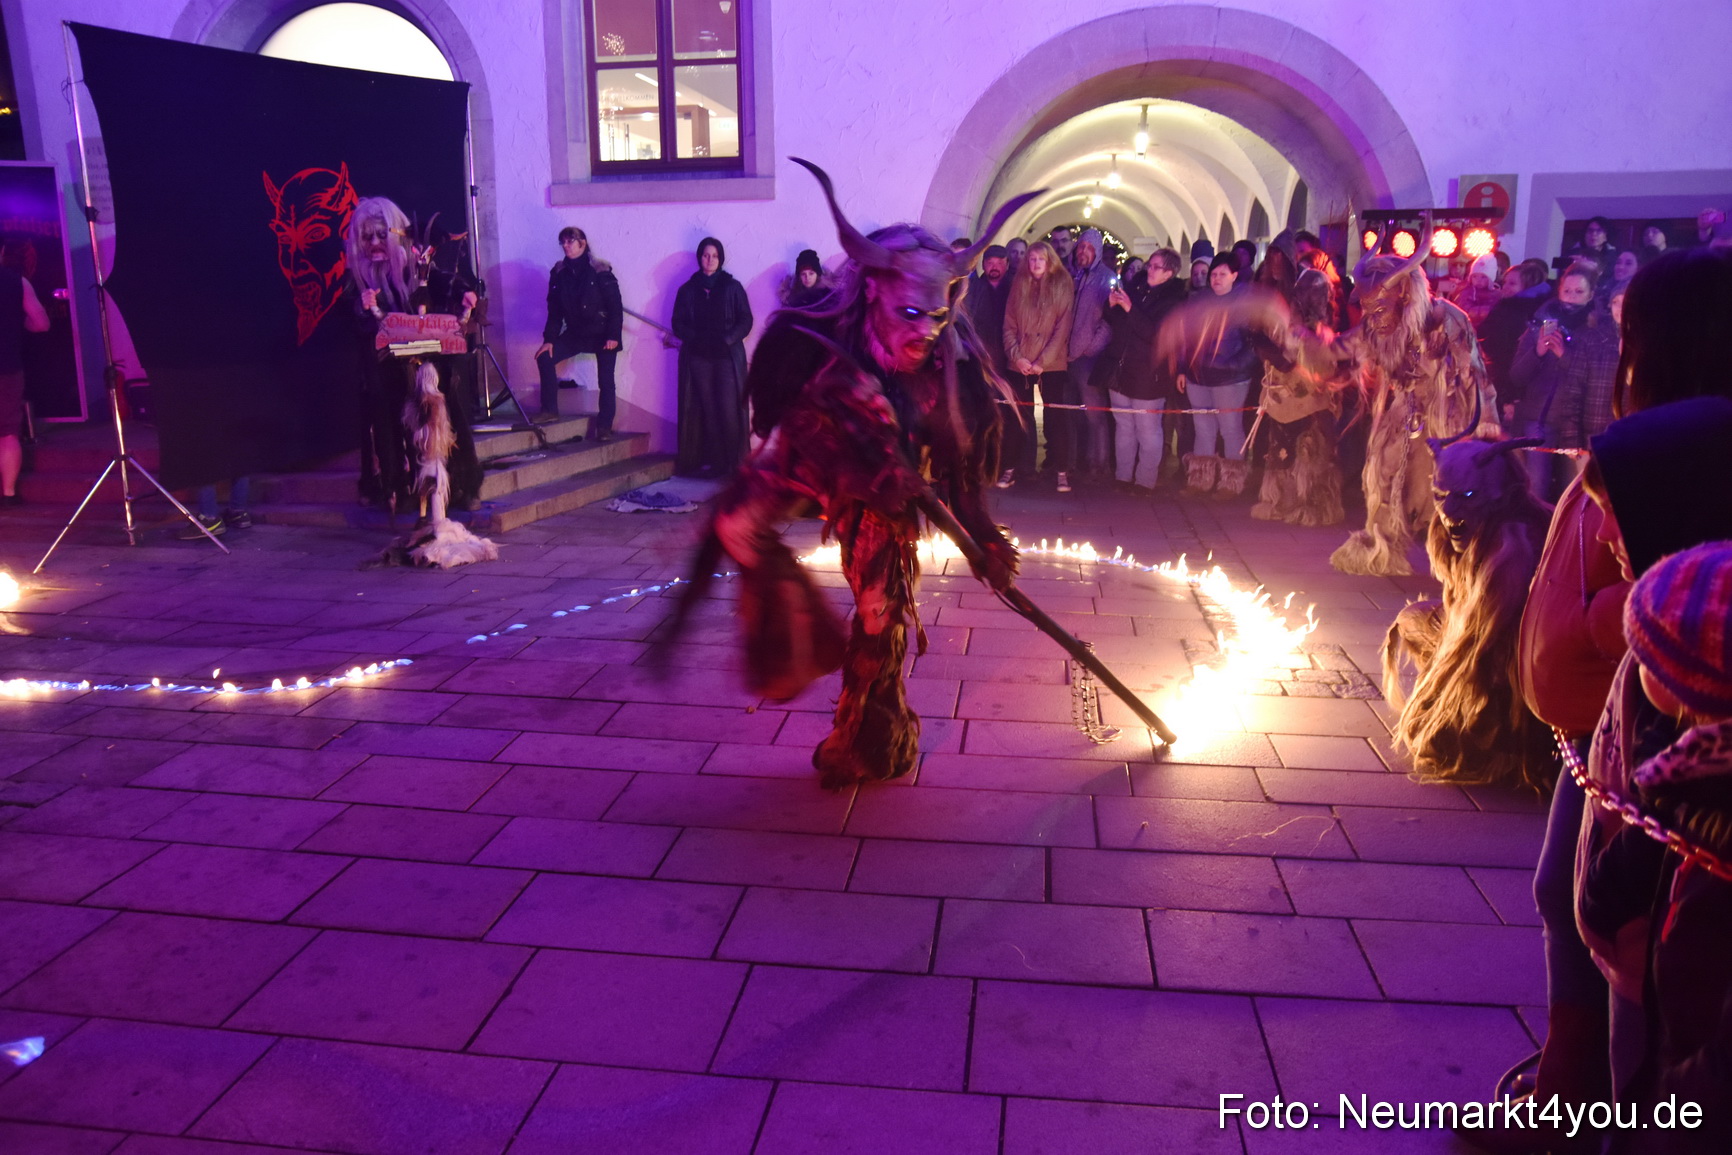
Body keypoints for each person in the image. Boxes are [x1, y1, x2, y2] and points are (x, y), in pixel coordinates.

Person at [676, 159, 1031, 789]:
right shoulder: (816, 343)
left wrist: (982, 539)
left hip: (887, 494)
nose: (924, 335)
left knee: (878, 611)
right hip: (817, 457)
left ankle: (865, 729)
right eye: (910, 316)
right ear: (873, 290)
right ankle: (790, 624)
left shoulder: (947, 379)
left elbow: (958, 468)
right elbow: (782, 419)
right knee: (734, 523)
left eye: (938, 318)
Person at [346, 195, 483, 516]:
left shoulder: (416, 269)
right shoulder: (357, 279)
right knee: (385, 422)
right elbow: (351, 314)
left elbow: (444, 282)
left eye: (382, 235)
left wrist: (465, 292)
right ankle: (394, 488)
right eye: (368, 237)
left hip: (427, 365)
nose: (376, 244)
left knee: (446, 416)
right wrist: (363, 306)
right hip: (384, 370)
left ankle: (461, 484)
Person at [1509, 262, 1599, 501]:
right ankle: (1538, 536)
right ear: (1558, 291)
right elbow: (1516, 376)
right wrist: (1537, 352)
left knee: (1572, 491)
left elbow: (1598, 380)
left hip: (1577, 424)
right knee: (1535, 487)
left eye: (1579, 292)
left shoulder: (1598, 331)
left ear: (1591, 295)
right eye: (1567, 291)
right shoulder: (1539, 324)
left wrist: (1565, 357)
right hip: (1539, 420)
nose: (1571, 297)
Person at [1175, 253, 1259, 499]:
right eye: (1213, 274)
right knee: (1203, 428)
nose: (1216, 279)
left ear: (1234, 275)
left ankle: (1232, 482)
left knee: (1230, 428)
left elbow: (1253, 344)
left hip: (1230, 379)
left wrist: (1233, 366)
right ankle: (1200, 478)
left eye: (1222, 274)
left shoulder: (1245, 304)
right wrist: (1182, 367)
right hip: (1198, 375)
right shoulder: (1198, 301)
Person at [1102, 247, 1185, 490]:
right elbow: (1116, 321)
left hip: (1149, 374)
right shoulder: (1137, 289)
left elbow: (1156, 334)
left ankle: (1145, 481)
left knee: (1147, 430)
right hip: (1122, 368)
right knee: (1124, 427)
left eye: (1156, 266)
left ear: (1169, 273)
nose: (1149, 269)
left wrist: (1129, 309)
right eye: (1150, 264)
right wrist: (1111, 306)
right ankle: (1123, 476)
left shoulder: (1174, 300)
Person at [671, 237, 752, 476]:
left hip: (726, 358)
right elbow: (677, 322)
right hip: (698, 358)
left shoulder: (732, 287)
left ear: (721, 258)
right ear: (699, 258)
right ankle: (716, 463)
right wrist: (693, 337)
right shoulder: (688, 289)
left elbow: (746, 319)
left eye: (714, 255)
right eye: (706, 255)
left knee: (729, 409)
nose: (710, 260)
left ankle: (734, 464)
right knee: (707, 410)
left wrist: (727, 339)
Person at [1001, 240, 1075, 490]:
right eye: (1032, 259)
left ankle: (1061, 471)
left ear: (1049, 261)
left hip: (1051, 365)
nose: (1035, 264)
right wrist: (1017, 357)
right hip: (1019, 363)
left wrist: (1043, 362)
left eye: (1040, 259)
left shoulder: (1063, 285)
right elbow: (1009, 325)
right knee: (1017, 418)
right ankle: (1011, 467)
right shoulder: (1018, 284)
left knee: (1056, 417)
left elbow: (1062, 329)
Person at [535, 226, 622, 436]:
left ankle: (604, 426)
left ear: (582, 242)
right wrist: (549, 339)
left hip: (602, 332)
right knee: (545, 357)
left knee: (606, 381)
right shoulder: (559, 272)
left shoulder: (599, 269)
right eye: (563, 242)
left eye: (570, 241)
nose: (566, 246)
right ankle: (549, 410)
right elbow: (554, 310)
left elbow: (615, 305)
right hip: (576, 332)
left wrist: (613, 336)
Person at [1066, 228, 1116, 482]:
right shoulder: (1070, 275)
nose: (1084, 252)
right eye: (1081, 247)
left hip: (1088, 357)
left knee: (1095, 415)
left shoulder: (1106, 278)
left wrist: (1092, 346)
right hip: (1066, 356)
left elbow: (1111, 320)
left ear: (1096, 252)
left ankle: (1100, 463)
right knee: (1071, 413)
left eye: (1089, 248)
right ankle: (1075, 461)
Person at [0, 260, 50, 506]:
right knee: (8, 433)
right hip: (6, 366)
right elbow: (41, 324)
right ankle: (8, 493)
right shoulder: (16, 282)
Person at [1480, 259, 1553, 419]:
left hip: (1510, 386)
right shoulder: (1512, 307)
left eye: (1512, 283)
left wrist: (1508, 396)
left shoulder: (1513, 312)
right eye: (1505, 282)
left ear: (1528, 286)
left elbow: (1505, 355)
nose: (1505, 287)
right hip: (1514, 386)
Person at [963, 244, 1011, 378]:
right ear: (983, 265)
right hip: (979, 355)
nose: (995, 267)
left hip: (1008, 357)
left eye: (1000, 263)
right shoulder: (972, 289)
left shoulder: (1014, 289)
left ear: (1007, 265)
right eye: (990, 263)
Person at [1452, 252, 1500, 329]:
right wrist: (1489, 310)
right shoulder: (1467, 292)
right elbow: (1464, 310)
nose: (1478, 280)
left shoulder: (1497, 294)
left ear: (1490, 279)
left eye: (1483, 277)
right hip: (1469, 328)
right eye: (1475, 276)